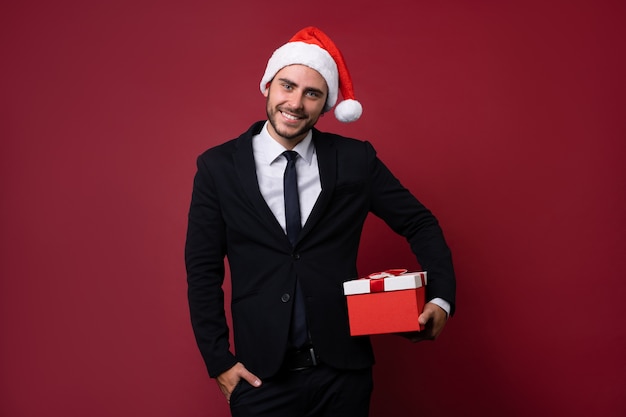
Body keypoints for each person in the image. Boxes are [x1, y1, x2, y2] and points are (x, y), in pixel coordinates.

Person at [185, 26, 456, 417]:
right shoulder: (217, 168)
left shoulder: (354, 160)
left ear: (327, 102)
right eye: (288, 86)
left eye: (312, 93)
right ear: (268, 86)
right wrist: (219, 363)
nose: (295, 103)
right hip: (261, 379)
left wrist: (440, 298)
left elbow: (419, 222)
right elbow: (202, 270)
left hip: (343, 375)